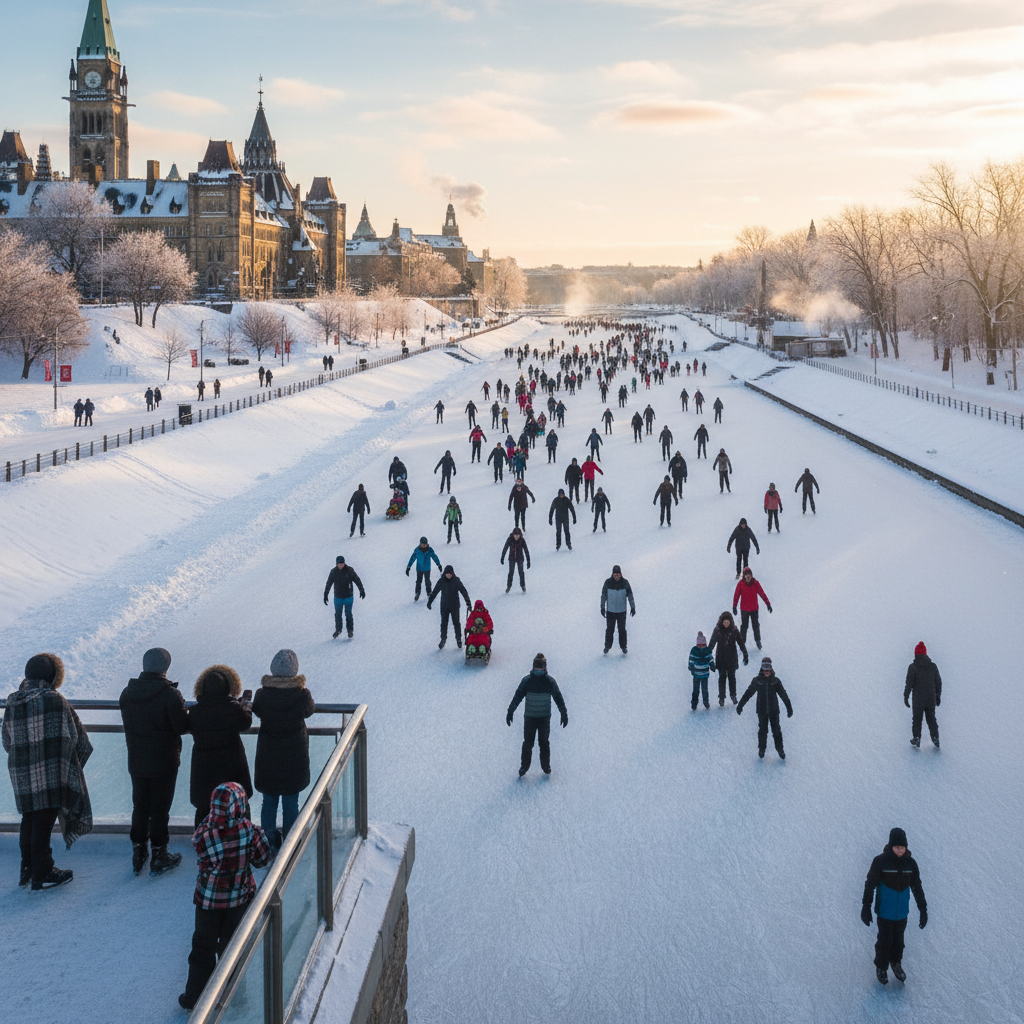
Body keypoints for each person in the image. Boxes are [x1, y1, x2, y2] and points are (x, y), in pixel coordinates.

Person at [178, 782, 272, 1011]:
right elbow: (262, 859)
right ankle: (236, 998)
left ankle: (194, 997)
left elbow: (202, 856)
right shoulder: (249, 830)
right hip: (238, 900)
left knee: (202, 947)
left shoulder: (205, 831)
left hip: (208, 901)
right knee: (233, 948)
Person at [3, 653, 92, 890]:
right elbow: (74, 738)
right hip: (51, 772)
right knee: (43, 821)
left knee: (29, 818)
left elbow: (6, 739)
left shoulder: (12, 700)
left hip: (21, 772)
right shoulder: (54, 700)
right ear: (53, 675)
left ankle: (28, 868)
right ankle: (43, 872)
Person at [119, 647, 189, 876]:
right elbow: (182, 727)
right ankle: (160, 852)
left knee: (140, 805)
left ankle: (139, 851)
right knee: (160, 808)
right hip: (164, 759)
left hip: (137, 759)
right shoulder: (170, 695)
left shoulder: (127, 693)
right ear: (166, 668)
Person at [252, 650, 315, 851]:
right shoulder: (301, 694)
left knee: (268, 801)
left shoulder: (262, 694)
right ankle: (290, 843)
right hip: (293, 758)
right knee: (291, 802)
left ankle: (267, 844)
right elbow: (309, 711)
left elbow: (257, 710)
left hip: (268, 756)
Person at [187, 665, 253, 828]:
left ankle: (204, 844)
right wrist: (245, 704)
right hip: (232, 767)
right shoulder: (233, 709)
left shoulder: (194, 712)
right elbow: (245, 723)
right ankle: (239, 842)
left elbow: (183, 725)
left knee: (204, 806)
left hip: (204, 769)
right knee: (238, 803)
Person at [861, 827, 928, 985]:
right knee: (885, 940)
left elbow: (917, 887)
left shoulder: (911, 864)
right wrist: (866, 907)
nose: (900, 850)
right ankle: (882, 966)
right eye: (897, 847)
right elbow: (870, 884)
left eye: (902, 847)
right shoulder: (880, 861)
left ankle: (896, 963)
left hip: (902, 912)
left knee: (899, 940)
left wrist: (923, 909)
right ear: (891, 846)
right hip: (885, 911)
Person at [506, 654, 568, 777]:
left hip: (544, 717)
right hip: (530, 717)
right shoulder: (527, 681)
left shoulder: (550, 682)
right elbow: (518, 696)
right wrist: (510, 710)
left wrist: (563, 712)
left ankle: (546, 766)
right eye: (536, 669)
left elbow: (558, 697)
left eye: (541, 669)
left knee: (544, 742)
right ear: (533, 668)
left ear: (545, 669)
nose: (538, 671)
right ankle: (524, 766)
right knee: (528, 743)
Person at [736, 657, 792, 758]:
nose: (767, 672)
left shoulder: (775, 681)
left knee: (776, 731)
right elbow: (748, 693)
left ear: (771, 669)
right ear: (762, 669)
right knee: (762, 731)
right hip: (762, 711)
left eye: (768, 669)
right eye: (765, 669)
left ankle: (780, 749)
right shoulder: (757, 681)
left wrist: (789, 707)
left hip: (774, 711)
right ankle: (762, 749)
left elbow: (783, 694)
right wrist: (740, 705)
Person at [904, 642, 941, 748]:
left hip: (918, 699)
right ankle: (935, 737)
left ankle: (917, 738)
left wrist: (906, 696)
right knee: (931, 718)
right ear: (925, 654)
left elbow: (909, 683)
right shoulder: (933, 666)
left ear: (915, 654)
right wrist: (938, 696)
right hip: (930, 698)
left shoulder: (913, 667)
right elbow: (938, 682)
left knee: (917, 718)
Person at [426, 565, 472, 649]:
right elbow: (435, 591)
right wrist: (429, 602)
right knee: (444, 623)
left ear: (452, 573)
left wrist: (468, 603)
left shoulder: (456, 581)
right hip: (444, 606)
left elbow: (463, 591)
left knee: (456, 623)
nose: (449, 575)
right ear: (445, 573)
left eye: (450, 574)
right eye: (447, 574)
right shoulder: (441, 581)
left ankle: (458, 639)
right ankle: (443, 639)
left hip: (455, 606)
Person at [708, 611, 748, 706]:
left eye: (728, 622)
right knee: (722, 677)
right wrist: (709, 659)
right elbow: (711, 645)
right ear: (721, 622)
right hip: (721, 659)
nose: (726, 624)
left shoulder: (734, 630)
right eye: (724, 622)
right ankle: (721, 697)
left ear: (730, 622)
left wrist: (745, 654)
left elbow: (740, 642)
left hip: (732, 658)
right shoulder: (717, 630)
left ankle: (733, 695)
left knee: (732, 677)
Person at [323, 555, 365, 639]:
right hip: (338, 597)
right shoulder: (333, 572)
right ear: (336, 564)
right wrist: (325, 594)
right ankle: (338, 630)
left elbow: (357, 580)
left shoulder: (349, 570)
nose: (341, 565)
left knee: (348, 614)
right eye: (339, 564)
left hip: (348, 597)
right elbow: (329, 583)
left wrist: (361, 590)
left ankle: (350, 630)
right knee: (338, 614)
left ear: (344, 563)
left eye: (342, 564)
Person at [733, 566, 771, 649]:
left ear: (751, 575)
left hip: (754, 609)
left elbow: (762, 593)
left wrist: (768, 604)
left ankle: (758, 641)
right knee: (744, 626)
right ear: (743, 576)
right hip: (744, 609)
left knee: (755, 625)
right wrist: (734, 606)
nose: (748, 576)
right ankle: (742, 642)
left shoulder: (755, 583)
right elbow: (736, 595)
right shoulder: (741, 584)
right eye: (746, 575)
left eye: (749, 574)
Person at [600, 565, 635, 654]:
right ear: (612, 574)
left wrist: (633, 607)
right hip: (610, 611)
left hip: (621, 611)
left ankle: (624, 647)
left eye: (618, 574)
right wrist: (602, 608)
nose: (616, 576)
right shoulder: (608, 582)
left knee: (622, 630)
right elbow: (603, 596)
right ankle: (607, 646)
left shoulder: (625, 583)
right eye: (615, 574)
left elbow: (630, 595)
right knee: (609, 630)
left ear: (621, 574)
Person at [687, 633, 715, 711]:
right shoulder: (694, 650)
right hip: (696, 674)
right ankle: (694, 703)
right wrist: (690, 666)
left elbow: (711, 658)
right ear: (697, 644)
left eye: (703, 645)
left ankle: (706, 702)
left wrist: (712, 665)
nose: (701, 647)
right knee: (696, 690)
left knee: (704, 689)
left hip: (704, 674)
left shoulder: (707, 651)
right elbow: (691, 659)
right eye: (700, 645)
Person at [500, 526, 531, 593]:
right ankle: (509, 586)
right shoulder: (510, 539)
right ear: (513, 534)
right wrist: (502, 557)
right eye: (515, 535)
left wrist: (528, 561)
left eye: (518, 535)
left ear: (520, 535)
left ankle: (523, 585)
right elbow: (505, 548)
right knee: (511, 572)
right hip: (512, 558)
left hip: (520, 558)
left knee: (521, 572)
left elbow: (526, 550)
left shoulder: (522, 540)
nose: (516, 536)